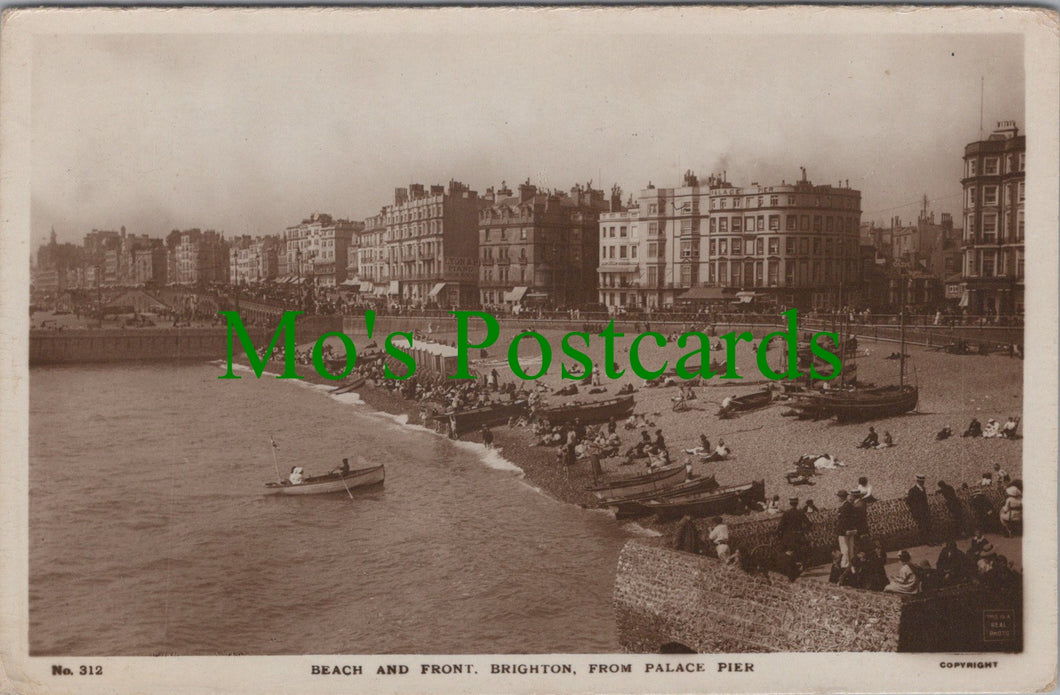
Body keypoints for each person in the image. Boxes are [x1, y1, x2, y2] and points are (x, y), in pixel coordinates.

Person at [777, 496, 812, 580]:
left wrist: (780, 535)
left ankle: (791, 571)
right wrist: (803, 531)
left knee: (789, 553)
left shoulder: (786, 513)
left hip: (788, 537)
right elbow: (809, 524)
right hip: (799, 536)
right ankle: (800, 568)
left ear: (790, 503)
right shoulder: (800, 513)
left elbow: (781, 526)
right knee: (800, 552)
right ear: (797, 503)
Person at [906, 474, 932, 545]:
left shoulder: (923, 489)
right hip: (919, 512)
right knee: (923, 526)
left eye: (922, 481)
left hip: (924, 511)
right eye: (920, 481)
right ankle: (927, 541)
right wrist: (915, 508)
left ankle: (927, 540)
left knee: (926, 525)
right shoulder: (913, 490)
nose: (922, 483)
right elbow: (908, 501)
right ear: (917, 481)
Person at [835, 490, 858, 568]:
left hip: (844, 532)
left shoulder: (843, 507)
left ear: (841, 497)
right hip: (851, 530)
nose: (838, 498)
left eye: (838, 497)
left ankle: (845, 566)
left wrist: (842, 531)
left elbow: (843, 521)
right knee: (851, 548)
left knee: (844, 549)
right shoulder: (850, 505)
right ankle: (852, 565)